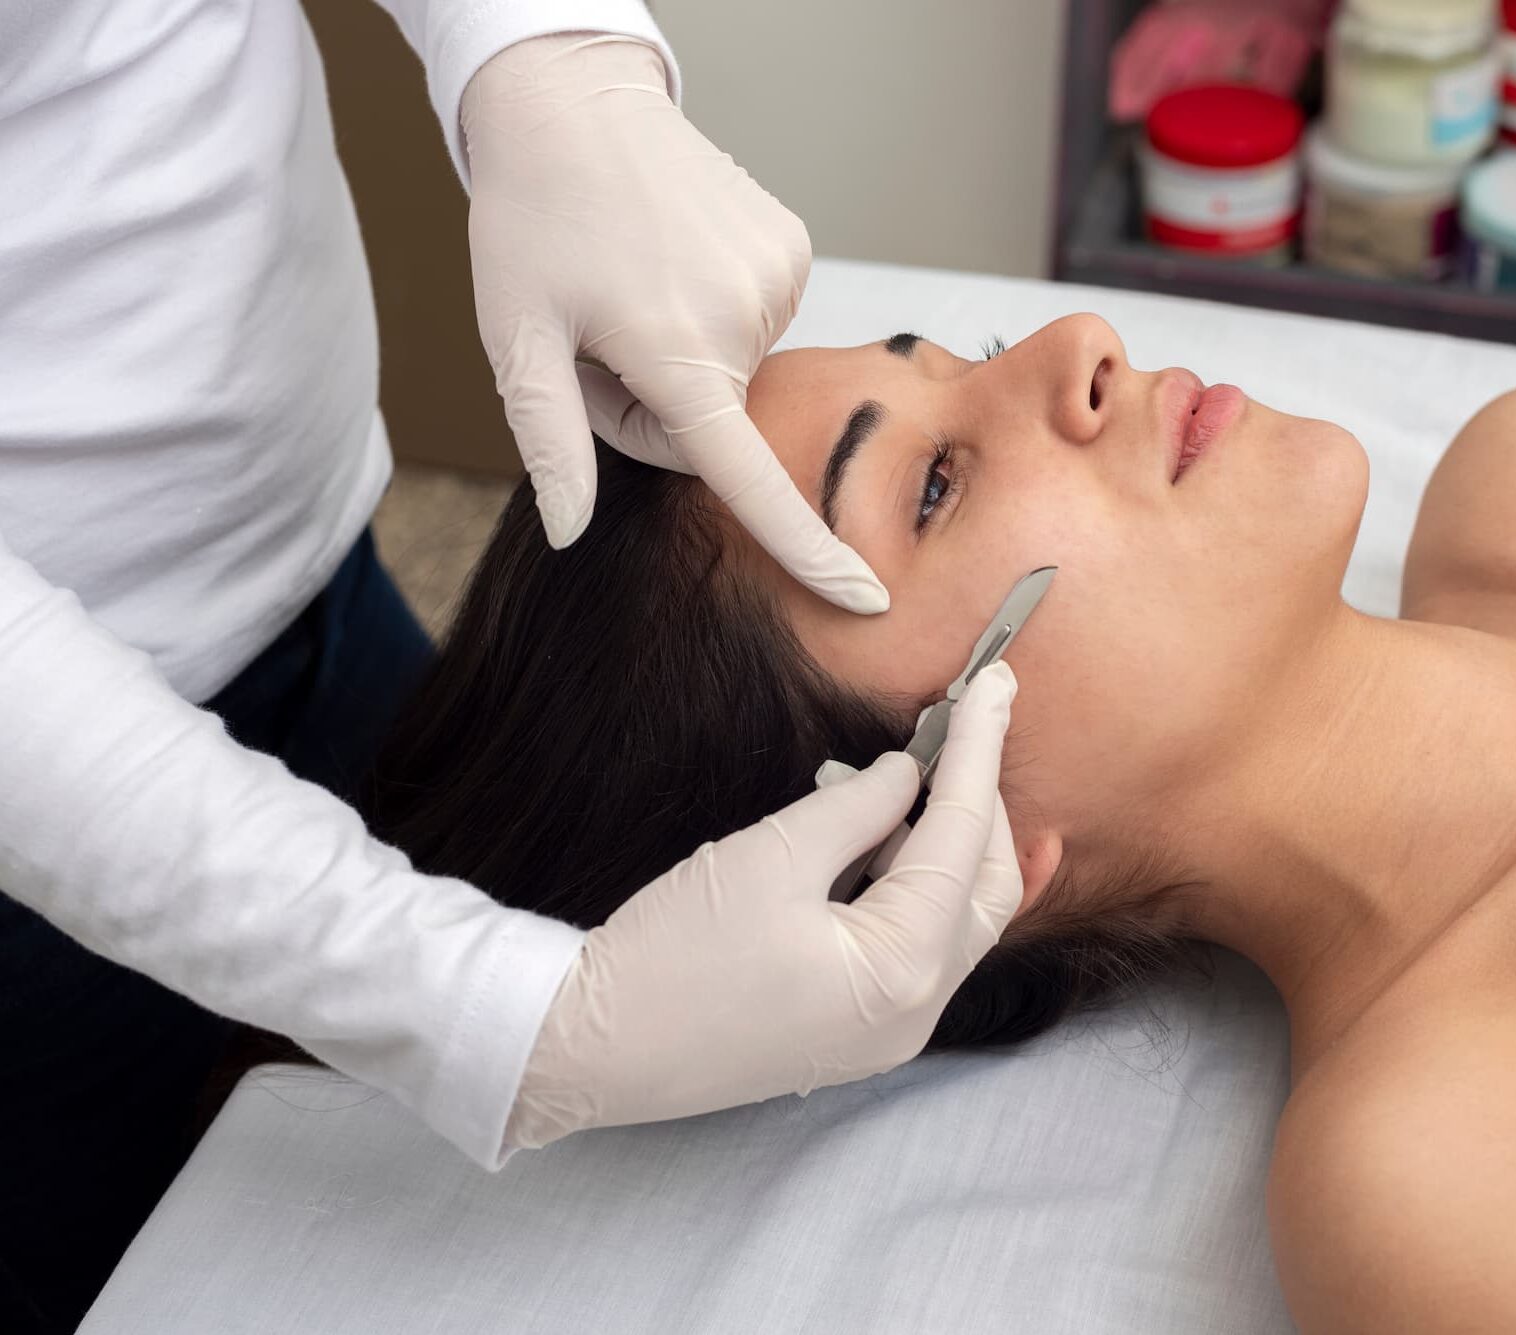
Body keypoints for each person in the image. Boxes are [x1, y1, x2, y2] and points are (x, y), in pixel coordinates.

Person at [368, 316, 1516, 1326]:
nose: (1075, 346)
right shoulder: (1447, 1163)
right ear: (933, 849)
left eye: (953, 355)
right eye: (934, 488)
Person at [0, 5, 1022, 1331]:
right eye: (932, 483)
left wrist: (544, 44)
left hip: (313, 570)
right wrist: (493, 1016)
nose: (1082, 345)